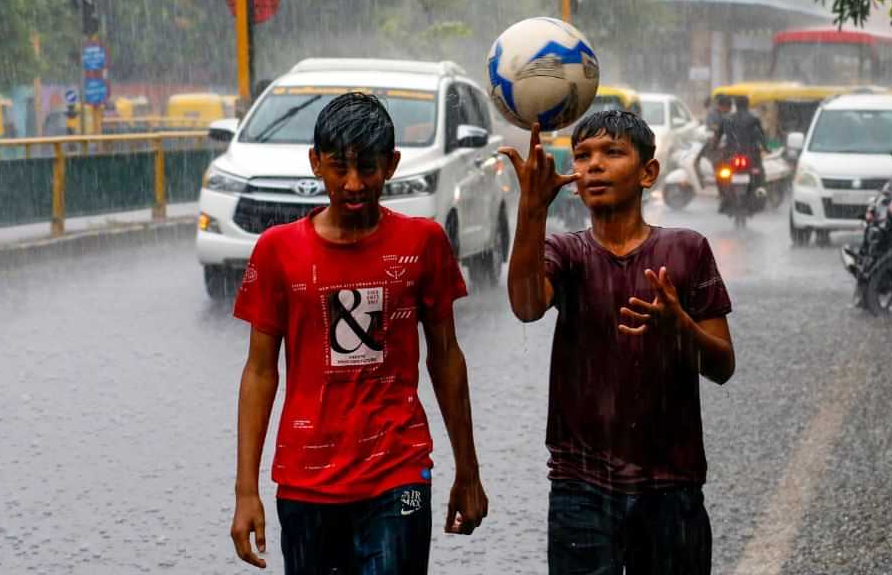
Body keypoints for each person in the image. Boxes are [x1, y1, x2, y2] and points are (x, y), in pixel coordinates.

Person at [229, 92, 488, 574]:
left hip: (399, 470)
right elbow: (260, 372)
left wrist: (467, 469)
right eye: (338, 168)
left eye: (368, 168)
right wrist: (246, 491)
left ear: (391, 165)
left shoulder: (423, 242)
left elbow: (446, 356)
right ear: (315, 164)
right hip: (307, 481)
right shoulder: (276, 251)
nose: (353, 184)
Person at [498, 111, 736, 575]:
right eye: (582, 156)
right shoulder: (565, 252)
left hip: (672, 485)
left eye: (612, 152)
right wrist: (532, 208)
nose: (594, 166)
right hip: (580, 486)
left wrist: (679, 327)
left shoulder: (687, 249)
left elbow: (723, 365)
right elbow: (526, 305)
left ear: (648, 173)